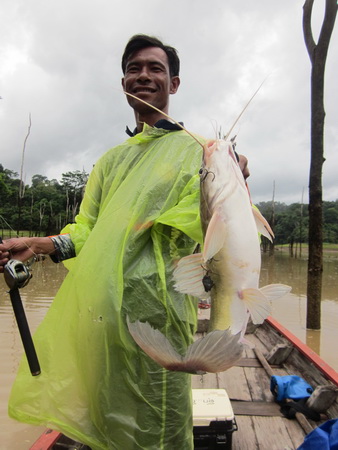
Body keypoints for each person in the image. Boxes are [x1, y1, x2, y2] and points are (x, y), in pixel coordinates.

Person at [0, 35, 249, 449]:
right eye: (134, 68)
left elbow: (219, 225)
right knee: (106, 419)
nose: (144, 76)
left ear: (175, 84)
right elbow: (87, 228)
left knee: (161, 424)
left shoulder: (202, 152)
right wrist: (42, 244)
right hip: (102, 318)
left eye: (155, 68)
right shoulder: (110, 162)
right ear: (123, 83)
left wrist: (234, 174)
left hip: (162, 316)